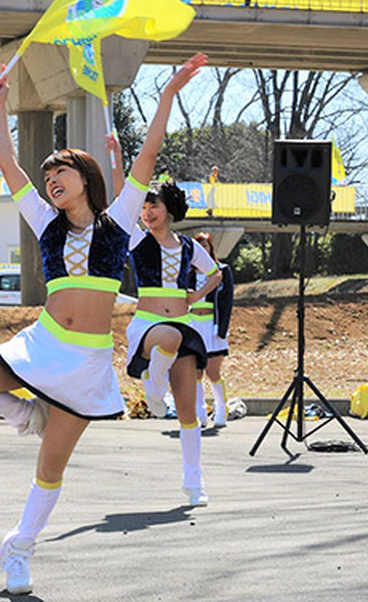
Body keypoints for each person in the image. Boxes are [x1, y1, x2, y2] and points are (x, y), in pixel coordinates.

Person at [0, 52, 208, 595]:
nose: (50, 182)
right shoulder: (45, 223)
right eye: (47, 178)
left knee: (51, 469)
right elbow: (8, 167)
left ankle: (19, 548)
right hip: (43, 342)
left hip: (87, 362)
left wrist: (167, 95)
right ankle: (26, 414)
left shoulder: (120, 227)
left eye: (59, 172)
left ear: (85, 177)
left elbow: (148, 157)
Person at [111, 154, 221, 506]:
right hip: (148, 325)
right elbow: (121, 198)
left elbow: (217, 273)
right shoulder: (136, 240)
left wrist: (196, 294)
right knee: (168, 338)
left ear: (168, 208)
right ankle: (154, 385)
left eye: (153, 205)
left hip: (183, 325)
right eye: (143, 207)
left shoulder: (189, 247)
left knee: (188, 411)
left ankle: (194, 483)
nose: (147, 212)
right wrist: (116, 160)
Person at [189, 232, 234, 428]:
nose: (202, 250)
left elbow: (227, 303)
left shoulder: (222, 271)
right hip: (192, 325)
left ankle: (221, 409)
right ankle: (200, 414)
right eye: (198, 247)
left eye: (205, 246)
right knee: (195, 373)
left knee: (212, 371)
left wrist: (222, 330)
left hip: (212, 326)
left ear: (211, 249)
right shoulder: (186, 273)